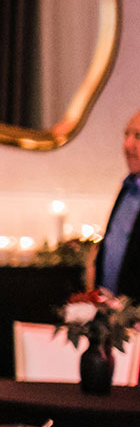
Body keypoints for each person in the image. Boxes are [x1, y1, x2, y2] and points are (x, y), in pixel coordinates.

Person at [94, 110, 140, 298]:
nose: (127, 145)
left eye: (138, 136)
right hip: (115, 316)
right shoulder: (127, 189)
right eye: (126, 135)